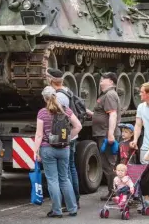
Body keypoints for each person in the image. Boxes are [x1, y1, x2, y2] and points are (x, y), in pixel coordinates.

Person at [33, 86, 82, 218]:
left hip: (47, 148)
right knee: (64, 179)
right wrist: (68, 138)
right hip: (64, 149)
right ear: (55, 96)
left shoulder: (42, 113)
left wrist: (35, 151)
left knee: (53, 180)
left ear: (44, 98)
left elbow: (38, 134)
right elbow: (78, 126)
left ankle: (57, 210)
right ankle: (72, 208)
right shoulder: (66, 110)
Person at [46, 68, 80, 208]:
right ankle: (75, 199)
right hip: (70, 135)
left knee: (65, 173)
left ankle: (69, 201)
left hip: (64, 137)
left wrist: (66, 138)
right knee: (71, 168)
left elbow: (59, 118)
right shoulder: (67, 90)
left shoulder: (57, 97)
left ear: (51, 80)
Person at [86, 72, 121, 201]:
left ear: (111, 82)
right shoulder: (106, 95)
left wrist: (110, 134)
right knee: (107, 164)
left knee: (109, 164)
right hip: (103, 133)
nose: (100, 81)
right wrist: (92, 114)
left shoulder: (110, 95)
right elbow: (104, 114)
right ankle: (113, 190)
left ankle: (114, 191)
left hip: (106, 134)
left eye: (103, 79)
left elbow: (112, 114)